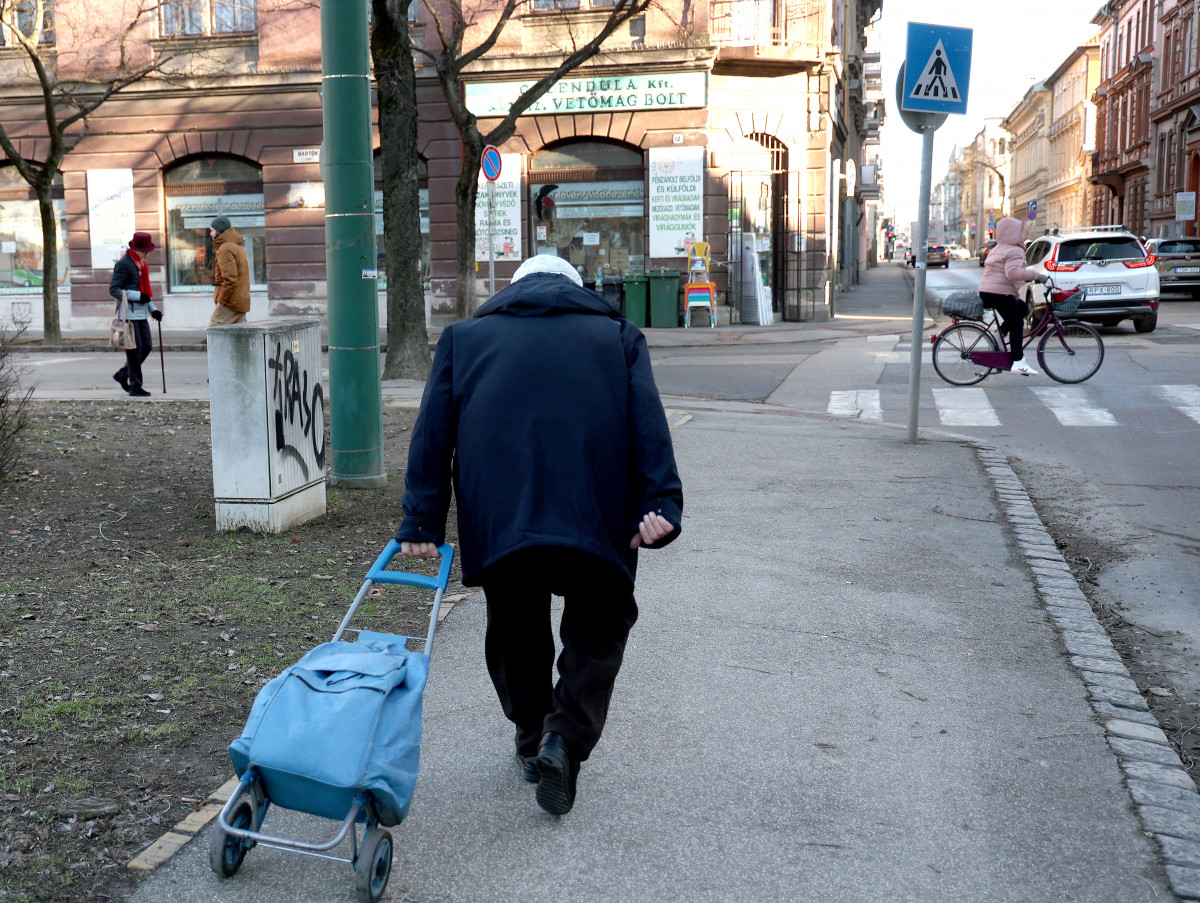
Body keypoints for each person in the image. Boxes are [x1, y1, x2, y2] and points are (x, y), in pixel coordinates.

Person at [395, 254, 683, 817]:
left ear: (513, 288)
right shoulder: (618, 336)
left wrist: (422, 520)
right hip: (596, 510)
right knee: (600, 625)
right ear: (576, 290)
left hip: (505, 515)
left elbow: (432, 434)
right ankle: (563, 740)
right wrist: (659, 504)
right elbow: (648, 422)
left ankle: (532, 741)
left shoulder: (464, 338)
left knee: (516, 628)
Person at [978, 216, 1048, 376]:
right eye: (1021, 232)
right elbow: (1013, 273)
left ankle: (999, 335)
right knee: (1017, 323)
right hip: (999, 293)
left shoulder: (998, 248)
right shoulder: (1014, 249)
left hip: (989, 291)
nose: (1024, 235)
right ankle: (1018, 361)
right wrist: (1036, 275)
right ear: (1013, 233)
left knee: (1022, 309)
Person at [109, 232, 162, 397]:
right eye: (144, 251)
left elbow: (145, 292)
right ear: (135, 249)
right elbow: (114, 289)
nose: (146, 254)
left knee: (146, 347)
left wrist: (153, 309)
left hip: (141, 314)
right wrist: (138, 296)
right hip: (129, 315)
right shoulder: (124, 264)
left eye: (148, 251)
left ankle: (122, 375)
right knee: (134, 350)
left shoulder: (141, 265)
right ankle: (135, 386)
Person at [208, 215, 251, 327]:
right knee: (240, 338)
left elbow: (230, 280)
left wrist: (221, 302)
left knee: (214, 332)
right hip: (240, 301)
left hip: (230, 303)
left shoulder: (225, 249)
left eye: (212, 230)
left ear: (218, 231)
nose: (211, 234)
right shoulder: (237, 247)